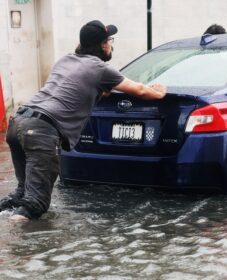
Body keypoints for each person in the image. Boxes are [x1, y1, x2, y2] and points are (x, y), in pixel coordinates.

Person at [0, 20, 166, 221]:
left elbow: (73, 88)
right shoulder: (101, 69)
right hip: (40, 131)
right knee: (34, 205)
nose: (112, 44)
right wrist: (158, 92)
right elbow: (139, 90)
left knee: (20, 195)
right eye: (110, 40)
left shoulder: (65, 60)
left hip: (18, 122)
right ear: (103, 45)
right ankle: (18, 246)